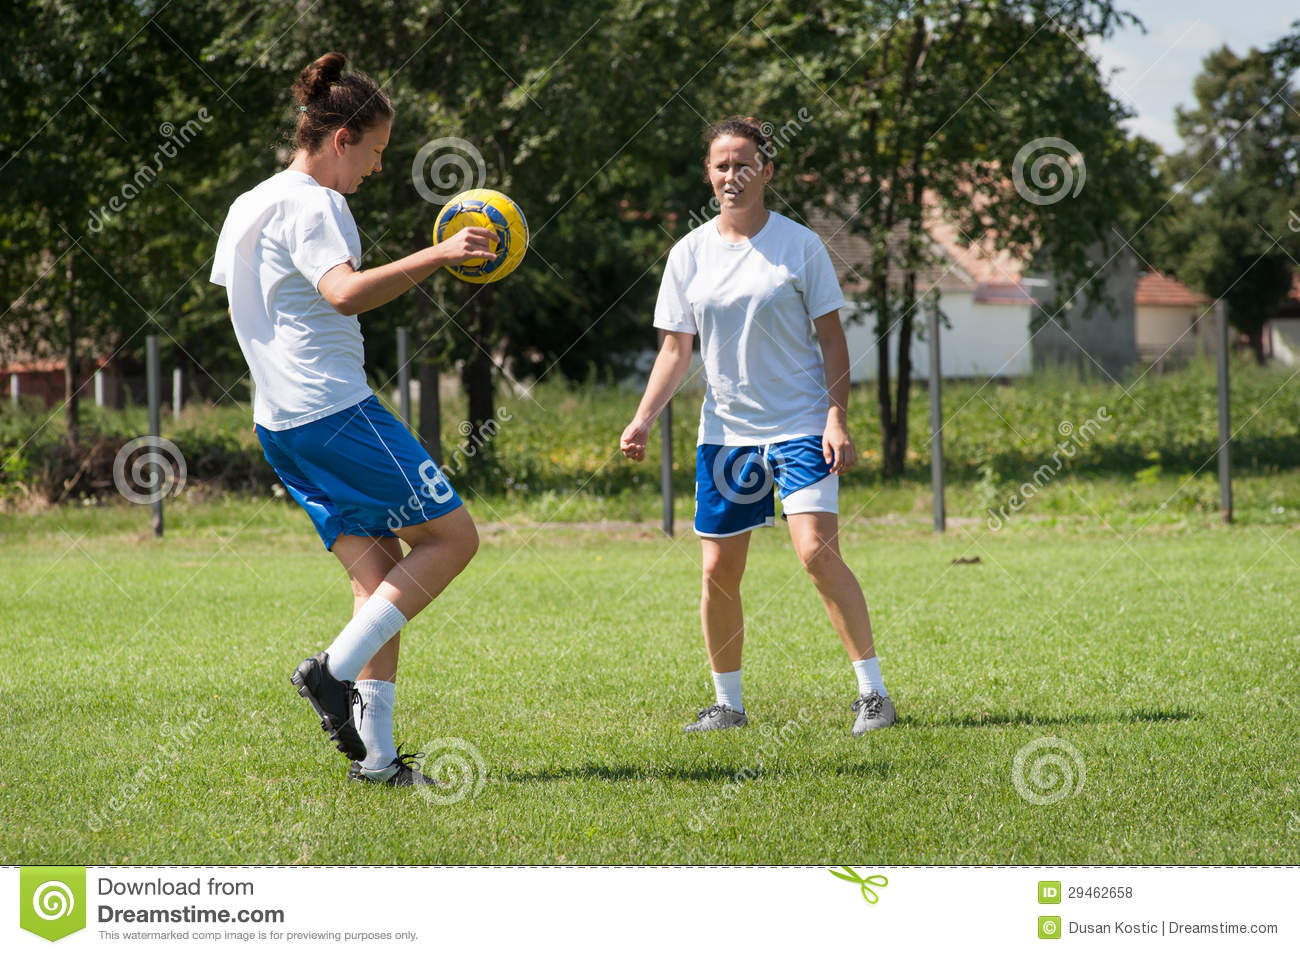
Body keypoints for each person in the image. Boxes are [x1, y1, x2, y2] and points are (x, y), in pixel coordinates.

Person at [210, 52, 496, 786]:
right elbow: (342, 294)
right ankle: (330, 673)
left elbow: (251, 302)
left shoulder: (250, 201)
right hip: (334, 410)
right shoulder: (315, 203)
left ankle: (375, 759)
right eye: (374, 152)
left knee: (378, 585)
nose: (375, 169)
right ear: (341, 139)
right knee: (454, 537)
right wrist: (441, 252)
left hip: (280, 424)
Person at [620, 117, 896, 736]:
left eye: (744, 163)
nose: (732, 175)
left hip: (801, 424)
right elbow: (674, 351)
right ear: (708, 174)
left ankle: (873, 693)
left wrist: (836, 416)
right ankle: (728, 705)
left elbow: (832, 340)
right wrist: (643, 419)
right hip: (726, 435)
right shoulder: (688, 253)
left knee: (816, 552)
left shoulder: (800, 247)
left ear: (767, 172)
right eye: (721, 165)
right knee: (718, 571)